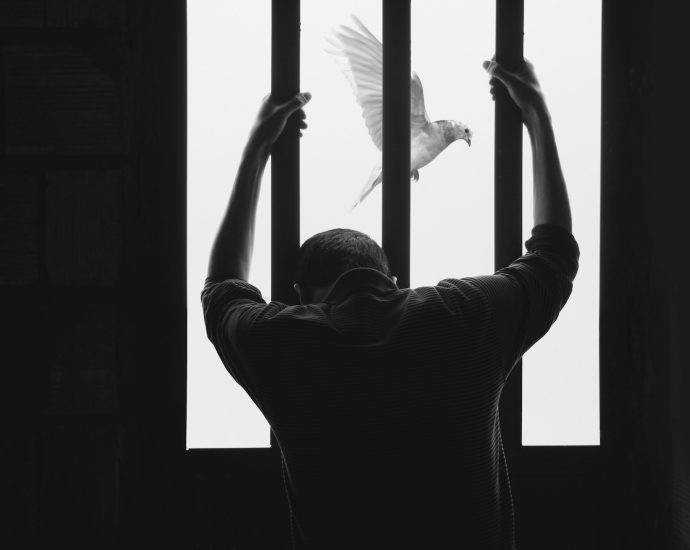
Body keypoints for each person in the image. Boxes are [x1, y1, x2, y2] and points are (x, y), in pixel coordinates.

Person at [202, 58, 579, 549]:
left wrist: (257, 147)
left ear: (302, 297)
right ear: (394, 280)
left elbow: (221, 290)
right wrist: (536, 114)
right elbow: (553, 258)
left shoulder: (282, 342)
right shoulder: (463, 317)